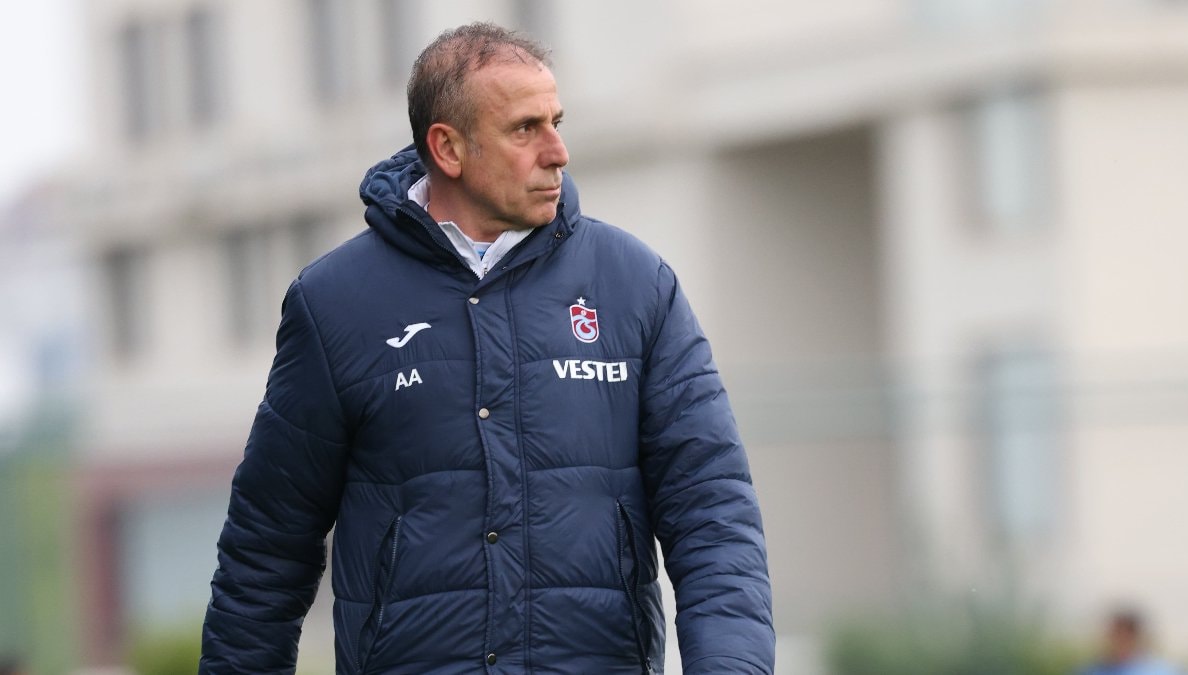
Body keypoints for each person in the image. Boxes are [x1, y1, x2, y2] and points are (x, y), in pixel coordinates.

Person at [200, 22, 773, 674]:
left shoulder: (637, 285)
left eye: (556, 122)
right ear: (447, 147)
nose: (557, 151)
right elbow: (265, 550)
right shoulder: (334, 303)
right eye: (525, 129)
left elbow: (714, 516)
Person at [1078, 609, 1186, 675]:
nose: (1120, 641)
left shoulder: (1164, 671)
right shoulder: (1093, 671)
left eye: (1125, 635)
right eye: (1116, 634)